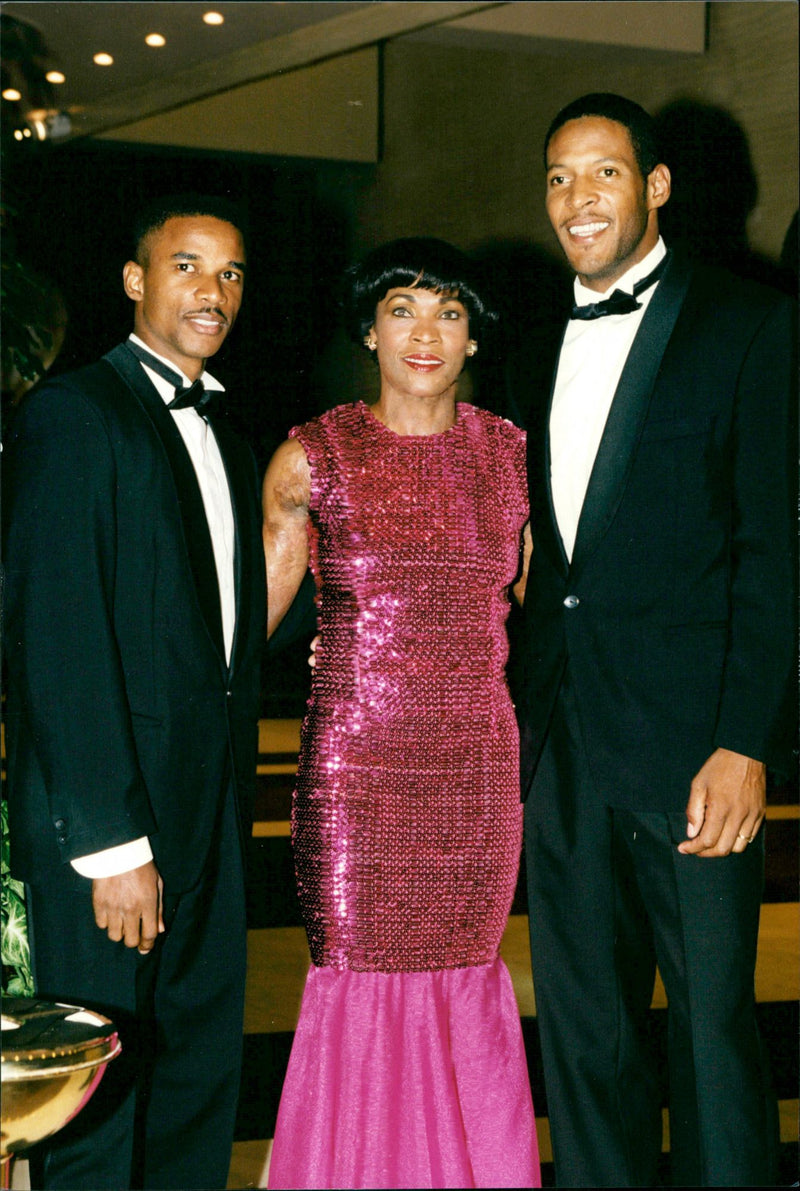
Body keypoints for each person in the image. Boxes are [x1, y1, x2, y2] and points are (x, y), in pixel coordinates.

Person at [510, 92, 796, 1187]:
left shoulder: (748, 322)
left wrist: (743, 741)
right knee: (583, 1038)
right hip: (562, 744)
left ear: (656, 185)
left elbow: (773, 555)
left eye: (602, 173)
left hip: (691, 753)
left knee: (712, 1037)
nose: (576, 199)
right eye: (556, 178)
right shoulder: (536, 341)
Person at [262, 237, 539, 1190]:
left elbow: (526, 609)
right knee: (361, 973)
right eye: (403, 310)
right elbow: (238, 625)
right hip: (358, 771)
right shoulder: (312, 456)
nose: (426, 333)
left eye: (449, 313)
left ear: (473, 339)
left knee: (466, 967)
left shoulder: (507, 454)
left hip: (474, 769)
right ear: (369, 330)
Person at [3, 194, 266, 1189]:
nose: (214, 291)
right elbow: (58, 642)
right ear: (135, 281)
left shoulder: (229, 438)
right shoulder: (75, 413)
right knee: (98, 1111)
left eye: (231, 272)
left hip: (205, 816)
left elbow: (216, 642)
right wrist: (112, 848)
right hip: (114, 834)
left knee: (194, 1082)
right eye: (189, 266)